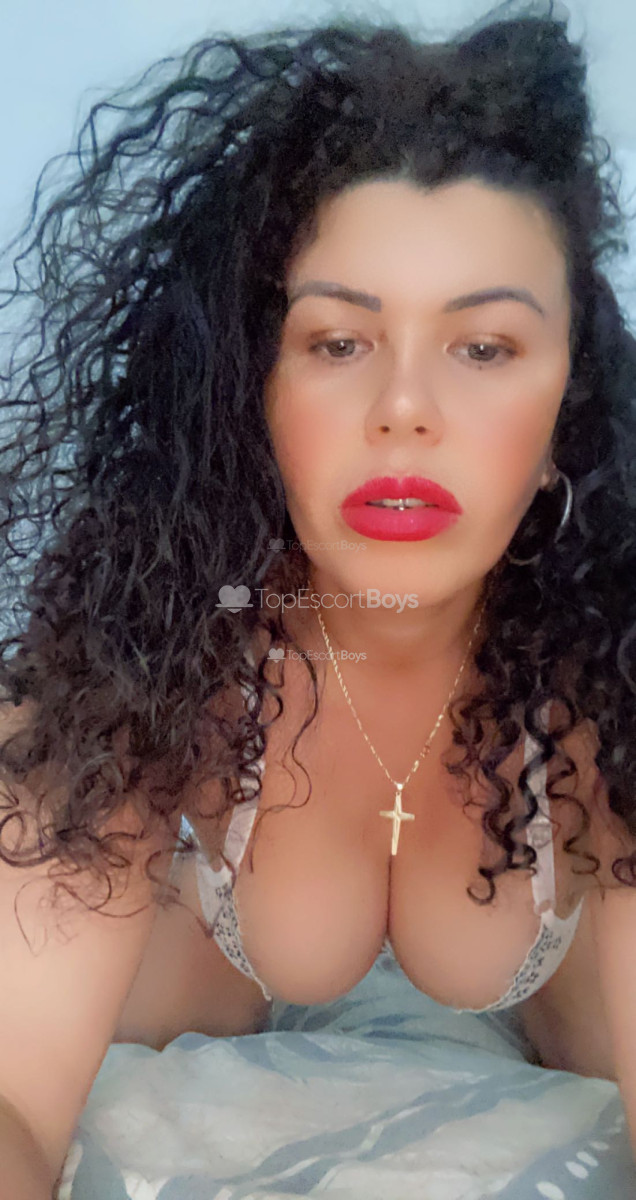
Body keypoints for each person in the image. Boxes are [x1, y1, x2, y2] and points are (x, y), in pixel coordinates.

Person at [0, 0, 635, 1193]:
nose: (405, 410)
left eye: (485, 348)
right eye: (339, 342)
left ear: (571, 409)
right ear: (255, 389)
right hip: (199, 950)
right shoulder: (149, 658)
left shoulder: (606, 683)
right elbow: (11, 1093)